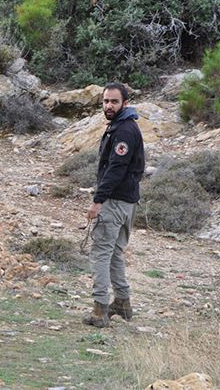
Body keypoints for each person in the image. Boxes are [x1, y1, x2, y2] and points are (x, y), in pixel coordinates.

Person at [82, 82, 145, 328]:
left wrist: (98, 200)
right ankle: (122, 301)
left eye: (114, 101)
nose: (109, 105)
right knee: (115, 253)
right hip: (127, 202)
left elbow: (116, 169)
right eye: (106, 101)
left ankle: (99, 310)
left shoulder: (124, 131)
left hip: (115, 203)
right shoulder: (122, 127)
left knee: (100, 253)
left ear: (125, 104)